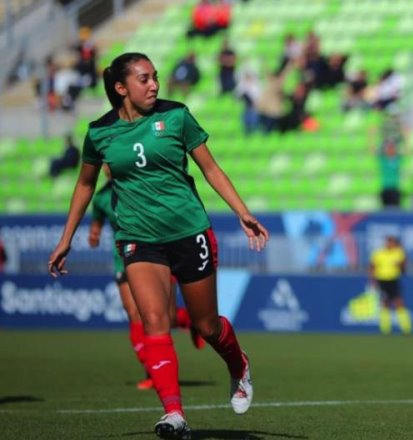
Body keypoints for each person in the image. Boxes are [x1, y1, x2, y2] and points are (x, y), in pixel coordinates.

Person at [48, 52, 269, 439]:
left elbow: (210, 168)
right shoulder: (99, 132)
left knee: (207, 326)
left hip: (189, 232)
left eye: (155, 78)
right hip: (138, 238)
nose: (154, 85)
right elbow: (85, 185)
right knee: (154, 321)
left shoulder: (177, 115)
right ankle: (174, 414)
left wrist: (242, 212)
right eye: (144, 79)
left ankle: (238, 365)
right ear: (121, 89)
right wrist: (66, 239)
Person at [88, 166, 205, 391]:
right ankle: (153, 370)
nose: (108, 167)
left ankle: (189, 319)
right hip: (124, 259)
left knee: (164, 318)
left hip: (157, 255)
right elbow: (96, 225)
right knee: (136, 314)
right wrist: (94, 234)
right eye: (104, 163)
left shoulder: (141, 185)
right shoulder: (101, 198)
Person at [370, 235, 411, 335]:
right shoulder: (379, 253)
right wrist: (373, 280)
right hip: (382, 280)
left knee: (399, 303)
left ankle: (406, 329)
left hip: (393, 280)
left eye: (391, 242)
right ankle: (385, 329)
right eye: (388, 242)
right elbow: (373, 267)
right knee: (385, 304)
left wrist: (401, 264)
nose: (389, 244)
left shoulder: (398, 252)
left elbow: (404, 266)